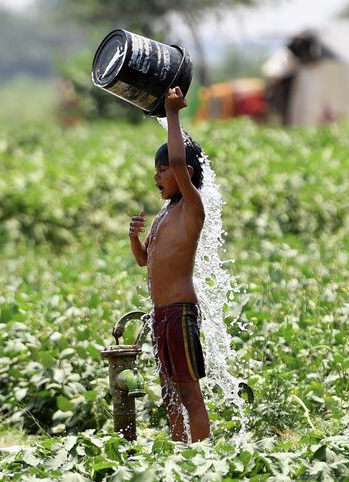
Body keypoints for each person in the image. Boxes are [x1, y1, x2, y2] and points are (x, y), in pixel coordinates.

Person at [128, 86, 210, 442]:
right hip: (161, 315)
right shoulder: (165, 216)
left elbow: (179, 160)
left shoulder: (192, 208)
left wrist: (172, 113)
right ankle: (179, 457)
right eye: (156, 170)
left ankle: (205, 456)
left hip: (180, 313)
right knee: (169, 395)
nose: (158, 176)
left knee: (189, 393)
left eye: (163, 169)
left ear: (187, 172)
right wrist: (134, 238)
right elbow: (145, 261)